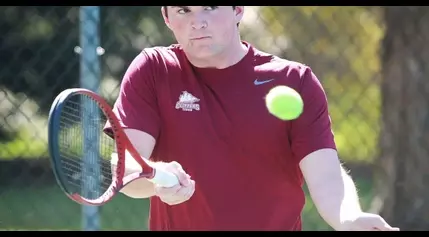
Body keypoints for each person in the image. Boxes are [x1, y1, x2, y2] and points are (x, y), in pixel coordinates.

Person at [104, 6, 399, 231]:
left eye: (210, 7)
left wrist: (349, 218)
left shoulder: (295, 81)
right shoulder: (152, 71)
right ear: (166, 17)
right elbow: (127, 168)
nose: (197, 21)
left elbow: (325, 175)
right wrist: (157, 179)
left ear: (238, 10)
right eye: (183, 10)